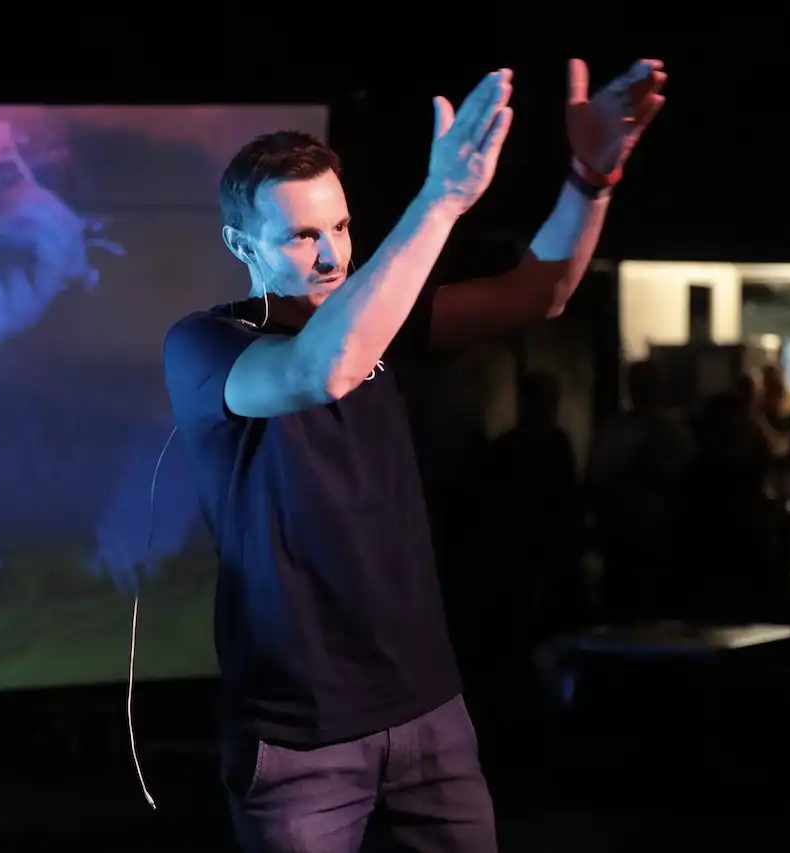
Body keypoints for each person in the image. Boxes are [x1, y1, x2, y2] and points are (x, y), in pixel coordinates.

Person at [162, 59, 666, 852]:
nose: (331, 255)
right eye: (301, 235)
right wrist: (440, 200)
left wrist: (590, 179)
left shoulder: (379, 313)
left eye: (340, 227)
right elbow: (322, 369)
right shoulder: (205, 342)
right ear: (239, 243)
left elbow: (542, 291)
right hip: (302, 736)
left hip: (429, 710)